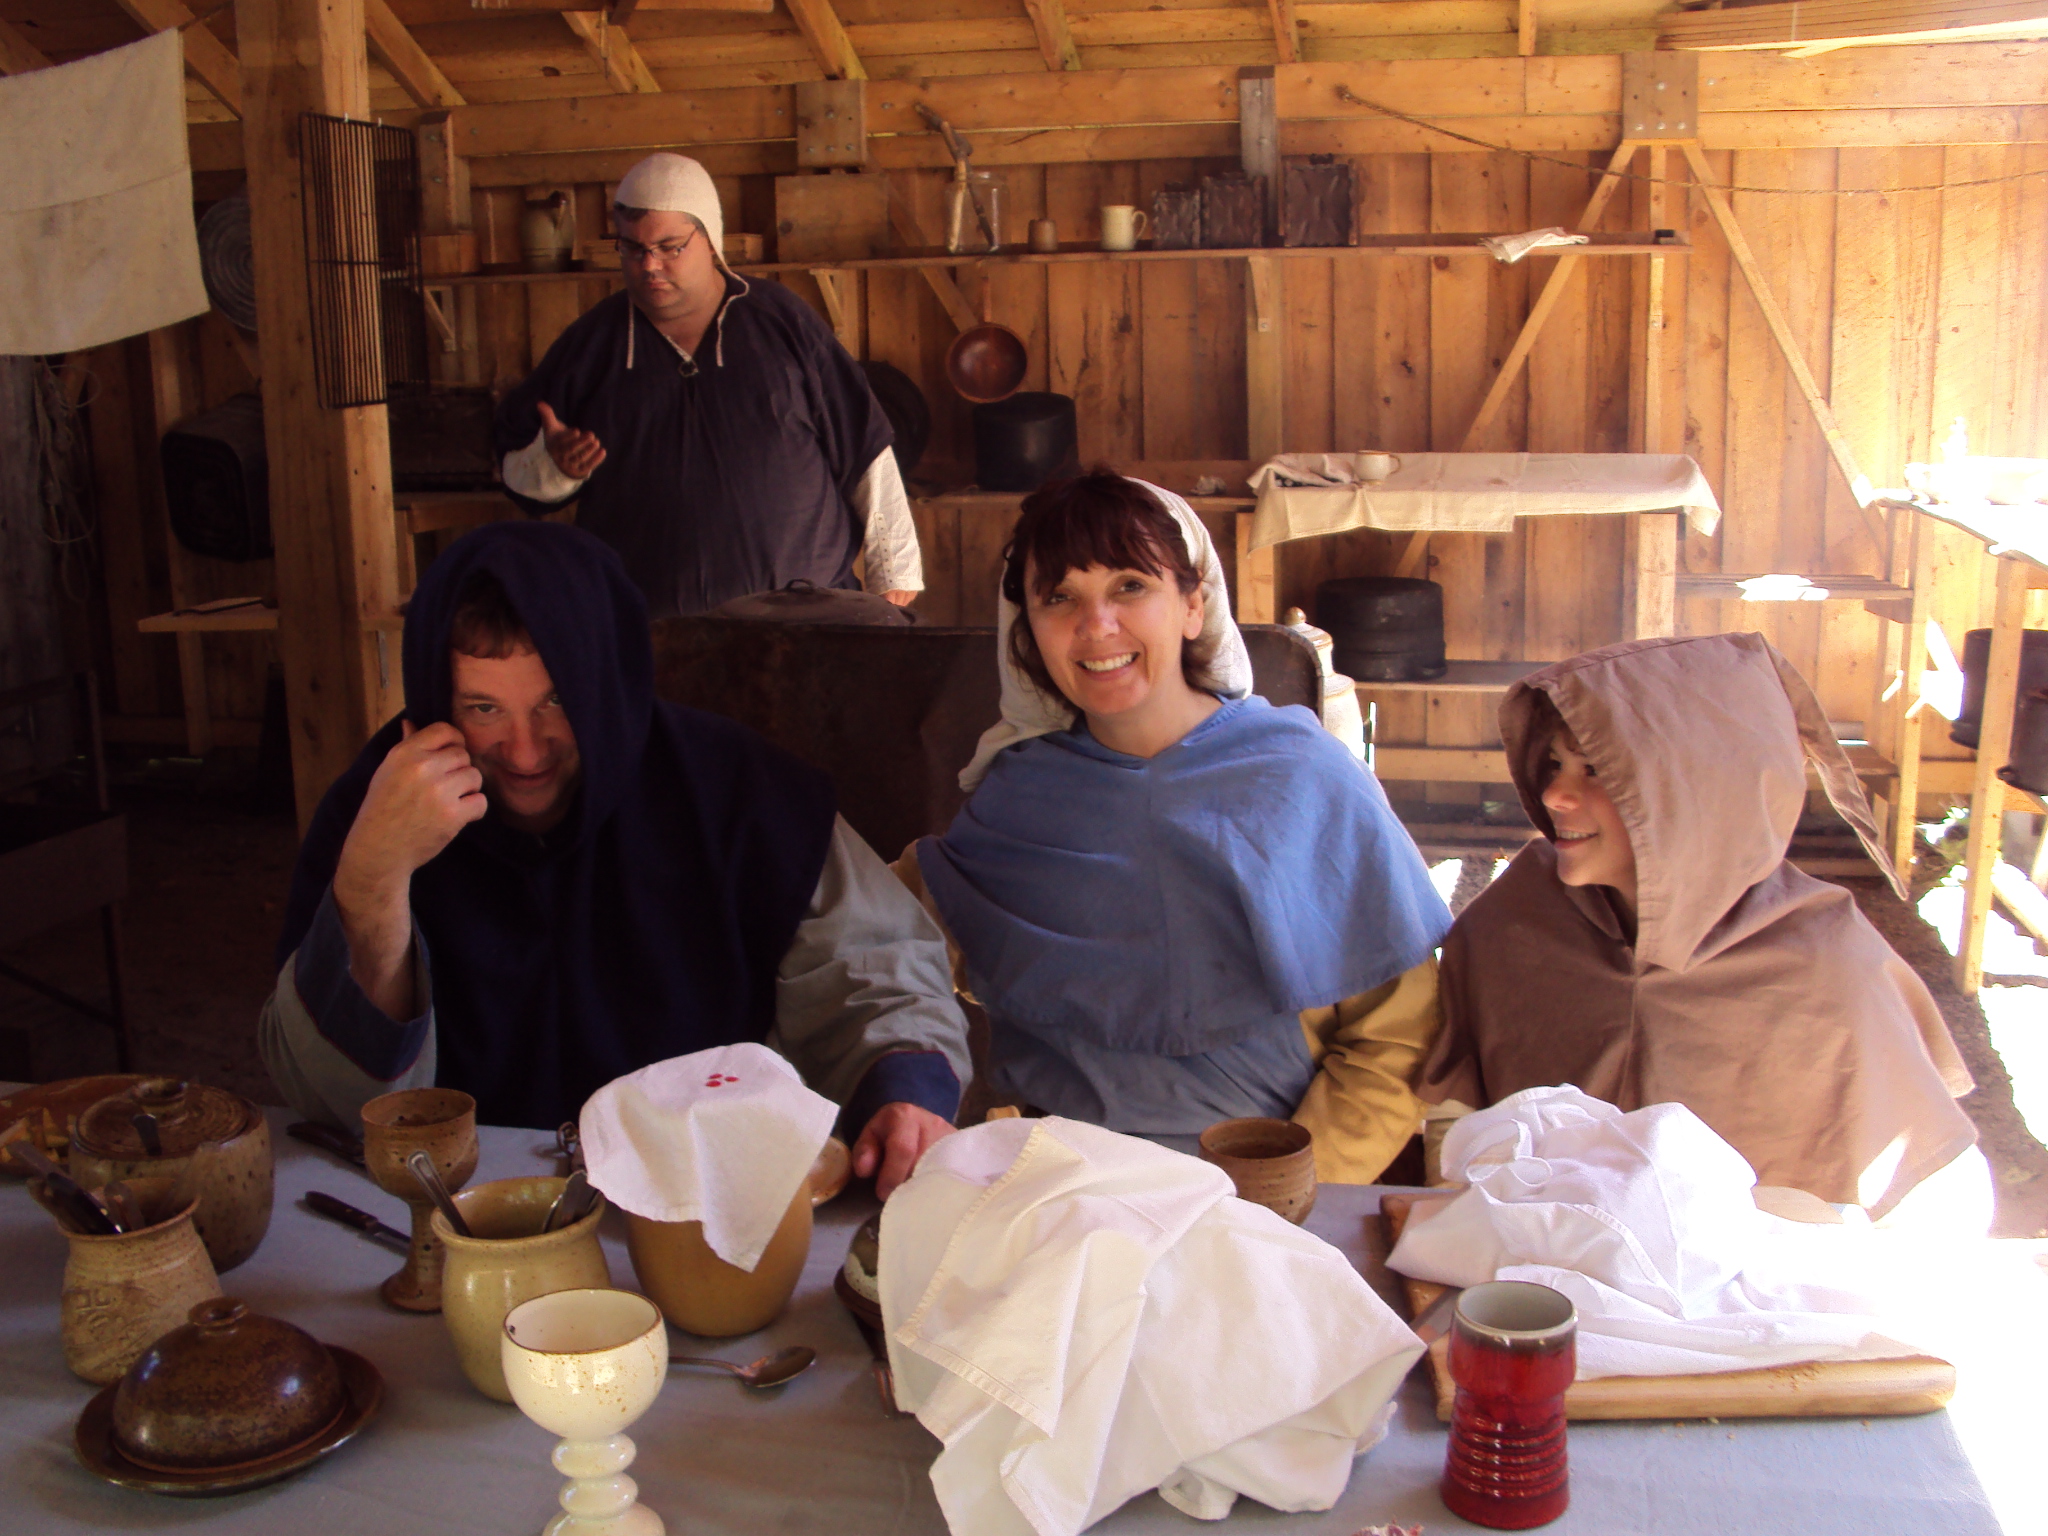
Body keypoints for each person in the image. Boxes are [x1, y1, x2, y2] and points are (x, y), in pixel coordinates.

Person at [259, 520, 966, 1196]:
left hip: (704, 1207)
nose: (525, 751)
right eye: (482, 709)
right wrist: (375, 874)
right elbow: (332, 1103)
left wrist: (902, 1091)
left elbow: (878, 974)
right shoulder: (381, 804)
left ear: (611, 679)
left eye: (556, 700)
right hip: (457, 1215)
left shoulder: (735, 790)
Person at [900, 470, 1453, 1182]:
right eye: (1059, 597)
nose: (1096, 626)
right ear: (1028, 631)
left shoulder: (1303, 779)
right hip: (1052, 1188)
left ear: (1194, 604)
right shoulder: (1018, 797)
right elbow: (887, 939)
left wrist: (1281, 1194)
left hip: (1254, 1201)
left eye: (1130, 586)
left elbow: (1398, 1039)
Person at [1418, 632, 1982, 1222]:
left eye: (1598, 773)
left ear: (1699, 791)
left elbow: (1918, 1192)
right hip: (1531, 1268)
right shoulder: (1516, 919)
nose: (1555, 794)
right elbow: (1455, 1111)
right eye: (1555, 764)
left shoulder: (1827, 970)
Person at [490, 152, 923, 619]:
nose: (649, 264)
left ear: (711, 239)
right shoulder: (592, 345)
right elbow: (516, 470)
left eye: (669, 246)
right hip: (649, 638)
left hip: (803, 630)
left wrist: (894, 572)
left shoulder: (783, 322)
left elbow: (864, 447)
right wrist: (554, 469)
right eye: (633, 249)